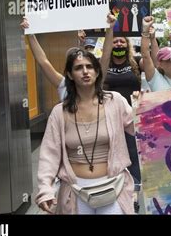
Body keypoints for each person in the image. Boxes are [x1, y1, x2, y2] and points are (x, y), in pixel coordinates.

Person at [35, 49, 135, 214]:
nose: (85, 71)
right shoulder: (59, 112)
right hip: (75, 191)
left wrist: (145, 108)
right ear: (69, 74)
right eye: (78, 68)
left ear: (97, 72)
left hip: (114, 187)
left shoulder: (115, 101)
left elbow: (140, 131)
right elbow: (49, 153)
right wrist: (45, 188)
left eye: (89, 66)